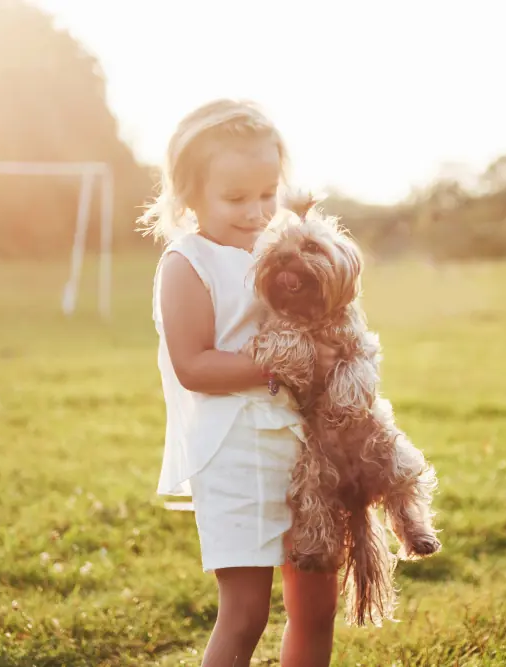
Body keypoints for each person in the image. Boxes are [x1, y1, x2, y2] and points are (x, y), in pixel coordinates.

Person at [139, 99, 340, 667]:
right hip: (234, 453)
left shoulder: (283, 251)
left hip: (304, 450)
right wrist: (284, 360)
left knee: (316, 608)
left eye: (266, 193)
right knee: (246, 614)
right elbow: (194, 366)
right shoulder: (188, 263)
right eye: (235, 198)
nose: (256, 212)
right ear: (188, 195)